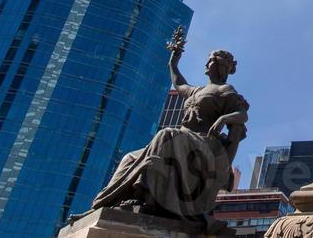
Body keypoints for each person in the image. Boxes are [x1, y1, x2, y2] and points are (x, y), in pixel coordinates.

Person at [92, 35, 248, 232]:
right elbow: (179, 83)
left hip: (205, 143)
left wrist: (223, 119)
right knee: (129, 158)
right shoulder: (197, 90)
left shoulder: (225, 90)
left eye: (211, 60)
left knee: (165, 135)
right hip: (182, 138)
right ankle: (108, 200)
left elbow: (242, 115)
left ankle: (150, 196)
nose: (207, 63)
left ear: (220, 66)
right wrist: (173, 61)